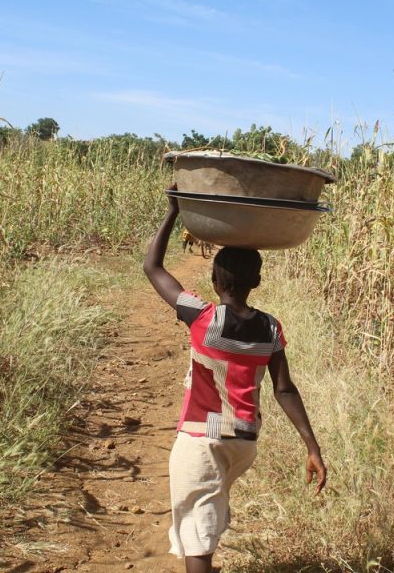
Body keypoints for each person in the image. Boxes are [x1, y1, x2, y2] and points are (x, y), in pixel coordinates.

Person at [143, 188, 327, 573]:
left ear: (213, 279)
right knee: (207, 511)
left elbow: (153, 268)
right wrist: (312, 447)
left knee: (196, 534)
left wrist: (173, 211)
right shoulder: (271, 328)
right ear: (257, 280)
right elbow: (284, 389)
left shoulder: (203, 318)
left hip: (202, 441)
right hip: (243, 442)